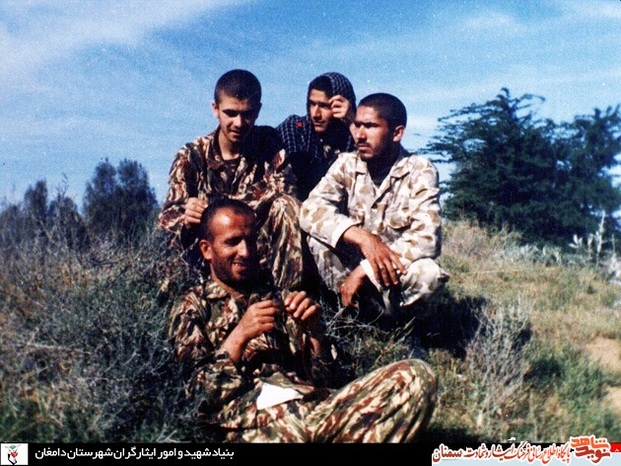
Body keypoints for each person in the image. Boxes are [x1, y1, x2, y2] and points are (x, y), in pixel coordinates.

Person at [168, 197, 437, 443]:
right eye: (233, 242)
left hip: (311, 410)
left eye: (251, 240)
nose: (246, 252)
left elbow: (331, 381)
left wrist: (316, 333)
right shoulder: (192, 308)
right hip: (256, 423)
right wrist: (239, 337)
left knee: (415, 377)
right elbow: (195, 397)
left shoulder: (279, 298)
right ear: (207, 250)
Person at [299, 93, 449, 330]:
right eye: (358, 125)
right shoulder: (347, 163)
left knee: (427, 273)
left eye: (370, 126)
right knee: (317, 239)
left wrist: (366, 269)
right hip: (348, 273)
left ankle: (407, 330)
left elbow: (428, 238)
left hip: (390, 277)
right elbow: (310, 209)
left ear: (397, 133)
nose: (359, 135)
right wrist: (362, 238)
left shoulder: (420, 170)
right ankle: (346, 317)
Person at [158, 69, 302, 291]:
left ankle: (287, 298)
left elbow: (285, 189)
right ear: (215, 109)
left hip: (254, 248)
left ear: (258, 111)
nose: (239, 123)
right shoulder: (192, 155)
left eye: (247, 114)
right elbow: (167, 218)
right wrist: (187, 216)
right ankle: (192, 298)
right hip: (210, 256)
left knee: (287, 206)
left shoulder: (268, 143)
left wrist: (216, 209)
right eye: (230, 113)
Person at [276, 72, 356, 202]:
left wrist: (352, 122)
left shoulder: (353, 135)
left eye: (324, 106)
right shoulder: (297, 127)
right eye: (312, 104)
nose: (315, 114)